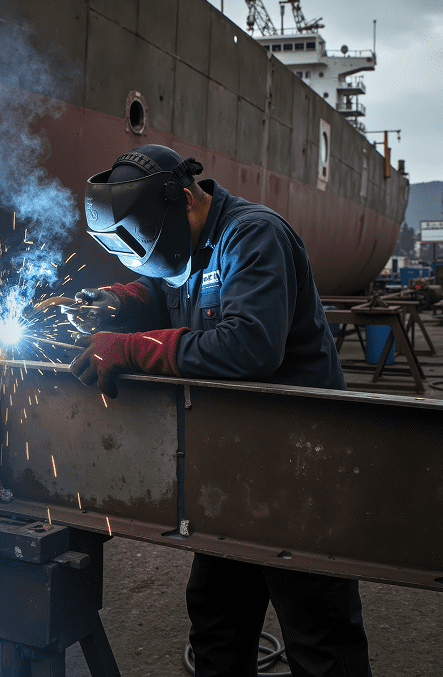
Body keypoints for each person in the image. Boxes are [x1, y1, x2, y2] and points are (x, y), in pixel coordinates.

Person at [67, 144, 371, 677]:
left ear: (186, 199)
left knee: (317, 633)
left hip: (299, 464)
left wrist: (134, 348)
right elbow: (165, 290)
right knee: (217, 618)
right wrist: (120, 300)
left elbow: (249, 347)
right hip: (236, 464)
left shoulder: (254, 235)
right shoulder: (181, 243)